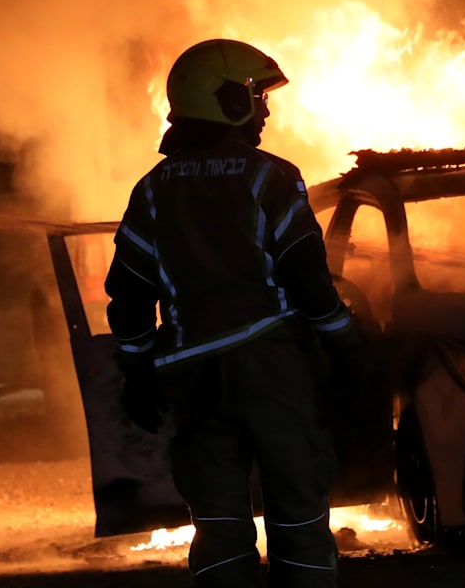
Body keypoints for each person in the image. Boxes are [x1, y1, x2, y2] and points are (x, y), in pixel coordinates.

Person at [104, 38, 369, 588]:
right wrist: (347, 347)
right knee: (297, 512)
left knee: (219, 524)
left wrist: (136, 370)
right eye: (255, 95)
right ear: (224, 101)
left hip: (192, 376)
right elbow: (308, 281)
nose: (266, 111)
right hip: (272, 367)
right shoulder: (269, 177)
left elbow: (129, 295)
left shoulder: (151, 191)